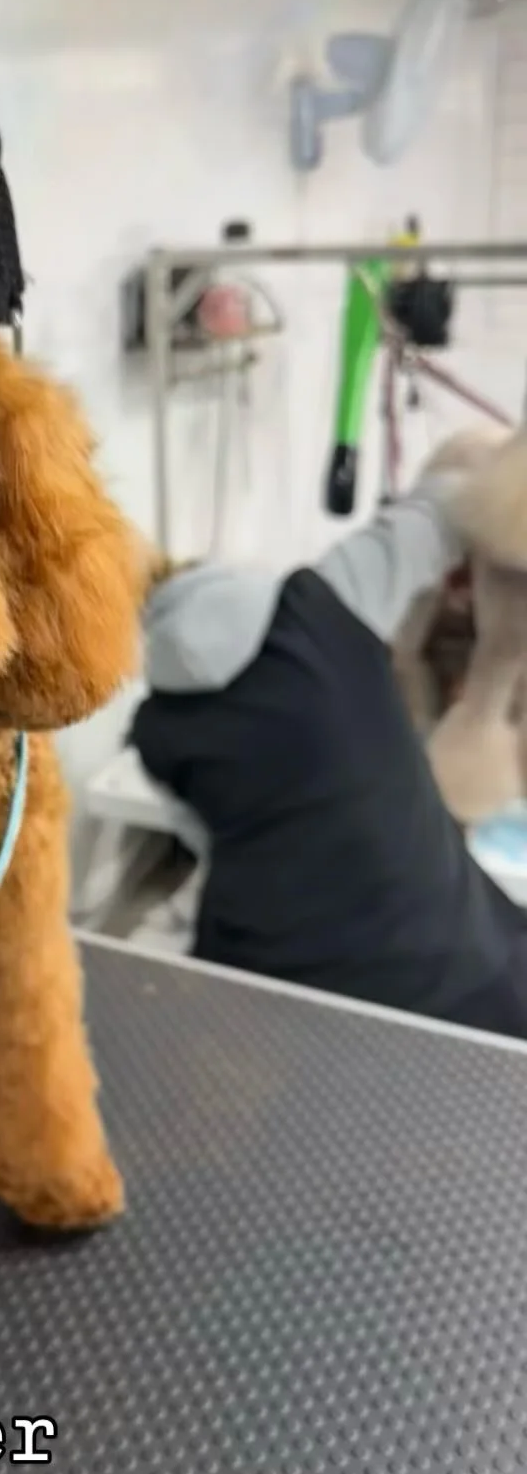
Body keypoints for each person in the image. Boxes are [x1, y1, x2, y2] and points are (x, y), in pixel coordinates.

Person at [130, 429, 527, 1038]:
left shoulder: (157, 731)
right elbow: (440, 507)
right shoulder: (312, 615)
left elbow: (219, 845)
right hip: (465, 992)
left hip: (277, 998)